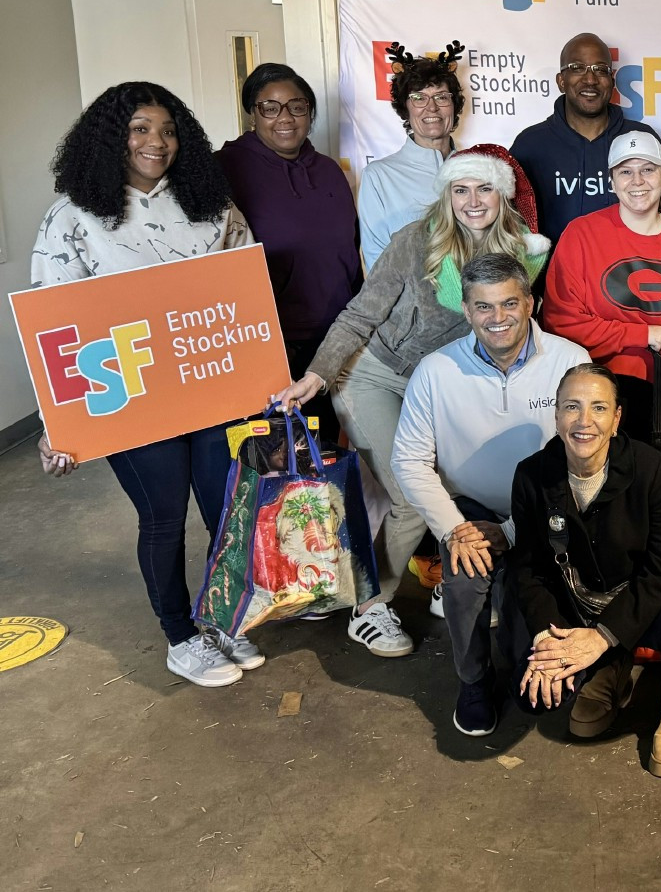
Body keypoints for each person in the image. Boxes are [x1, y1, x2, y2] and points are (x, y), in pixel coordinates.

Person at [275, 146, 550, 657]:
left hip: (441, 382)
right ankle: (367, 606)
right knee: (410, 495)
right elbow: (360, 316)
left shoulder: (522, 253)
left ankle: (453, 581)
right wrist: (318, 373)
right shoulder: (416, 242)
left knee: (456, 482)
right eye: (460, 189)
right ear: (447, 195)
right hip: (374, 376)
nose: (472, 201)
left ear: (502, 195)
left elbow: (515, 322)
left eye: (484, 188)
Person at [33, 82, 257, 688]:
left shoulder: (212, 206)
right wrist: (60, 425)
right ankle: (181, 637)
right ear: (111, 138)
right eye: (139, 128)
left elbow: (242, 297)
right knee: (162, 517)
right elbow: (53, 327)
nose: (156, 142)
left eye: (167, 129)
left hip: (208, 388)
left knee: (224, 509)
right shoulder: (72, 218)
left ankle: (218, 621)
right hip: (130, 395)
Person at [389, 253, 589, 735]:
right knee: (463, 577)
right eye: (483, 307)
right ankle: (473, 680)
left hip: (545, 507)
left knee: (529, 653)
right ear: (466, 310)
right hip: (468, 511)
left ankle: (534, 656)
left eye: (508, 304)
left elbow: (584, 458)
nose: (497, 318)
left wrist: (510, 531)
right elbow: (408, 460)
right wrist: (456, 530)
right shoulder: (435, 371)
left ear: (530, 303)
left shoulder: (570, 361)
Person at [510, 364, 661, 778]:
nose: (584, 421)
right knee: (535, 696)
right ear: (555, 415)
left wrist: (603, 636)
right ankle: (612, 668)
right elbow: (530, 568)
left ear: (617, 418)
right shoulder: (532, 474)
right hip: (583, 598)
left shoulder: (649, 466)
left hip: (656, 595)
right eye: (572, 406)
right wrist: (545, 641)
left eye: (598, 408)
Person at [542, 131, 661, 473]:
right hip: (598, 403)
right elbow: (560, 322)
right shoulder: (581, 235)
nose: (637, 181)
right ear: (611, 180)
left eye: (648, 170)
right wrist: (641, 334)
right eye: (625, 171)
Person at [218, 63, 361, 432]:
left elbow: (350, 253)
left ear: (309, 114)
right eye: (270, 107)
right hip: (273, 346)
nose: (285, 117)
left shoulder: (329, 170)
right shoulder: (224, 170)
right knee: (280, 467)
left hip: (335, 340)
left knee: (328, 457)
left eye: (297, 106)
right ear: (253, 113)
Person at [358, 41, 539, 269]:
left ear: (454, 105)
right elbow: (378, 262)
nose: (431, 107)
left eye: (441, 97)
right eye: (419, 98)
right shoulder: (379, 176)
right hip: (413, 303)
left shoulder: (481, 167)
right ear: (405, 107)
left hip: (477, 299)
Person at [508, 32, 661, 246]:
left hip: (629, 275)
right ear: (561, 81)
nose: (590, 80)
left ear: (612, 81)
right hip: (553, 275)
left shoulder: (641, 138)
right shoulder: (530, 144)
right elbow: (511, 225)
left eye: (600, 70)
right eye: (577, 68)